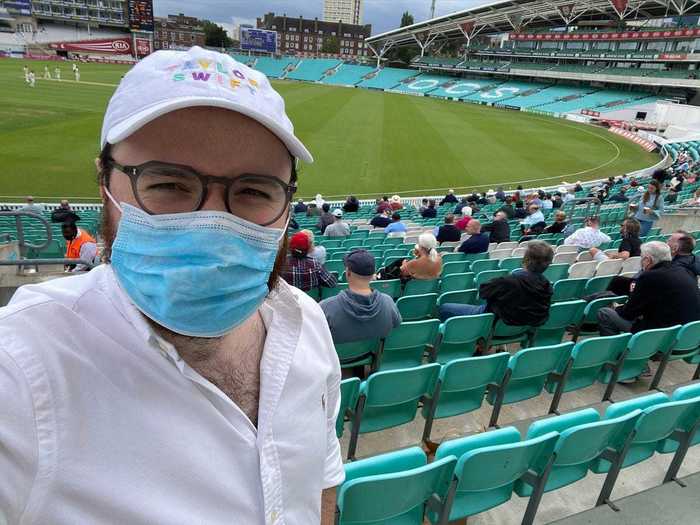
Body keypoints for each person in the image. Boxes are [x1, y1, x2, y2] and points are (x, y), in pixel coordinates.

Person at [0, 48, 344, 523]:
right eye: (168, 184)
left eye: (253, 190)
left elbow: (321, 482)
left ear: (287, 202)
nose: (213, 222)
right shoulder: (21, 367)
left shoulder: (306, 323)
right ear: (104, 182)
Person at [438, 241, 554, 325]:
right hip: (524, 324)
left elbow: (483, 292)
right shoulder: (547, 286)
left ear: (525, 260)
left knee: (445, 307)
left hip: (498, 320)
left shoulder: (508, 282)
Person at [597, 242, 700, 336]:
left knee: (605, 313)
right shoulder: (685, 271)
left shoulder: (649, 276)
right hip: (687, 335)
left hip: (659, 336)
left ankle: (613, 353)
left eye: (641, 258)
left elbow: (628, 314)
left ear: (647, 260)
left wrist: (616, 307)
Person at [320, 250, 401, 345]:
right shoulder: (388, 302)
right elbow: (397, 324)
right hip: (372, 357)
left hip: (337, 359)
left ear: (348, 272)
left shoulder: (326, 307)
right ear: (372, 274)